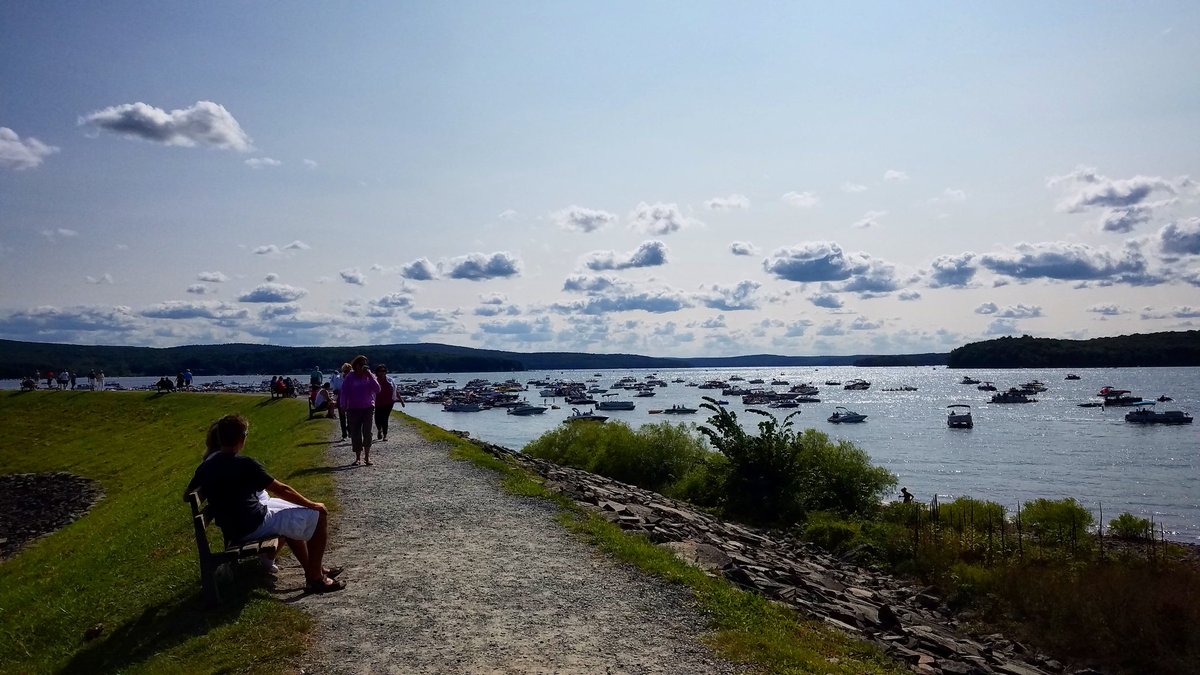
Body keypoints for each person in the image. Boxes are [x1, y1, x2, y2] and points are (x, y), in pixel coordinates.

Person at [184, 414, 344, 593]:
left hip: (234, 530)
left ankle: (314, 569)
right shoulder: (245, 464)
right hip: (254, 525)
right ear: (242, 439)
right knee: (319, 515)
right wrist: (313, 504)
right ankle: (316, 579)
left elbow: (187, 496)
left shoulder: (205, 467)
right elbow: (282, 490)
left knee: (291, 516)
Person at [340, 355, 380, 465]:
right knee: (355, 433)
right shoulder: (350, 377)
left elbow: (377, 389)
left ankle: (367, 457)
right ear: (356, 365)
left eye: (365, 364)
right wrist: (343, 405)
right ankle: (358, 458)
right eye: (361, 364)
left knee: (367, 432)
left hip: (368, 408)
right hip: (353, 408)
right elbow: (344, 392)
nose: (363, 366)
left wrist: (370, 376)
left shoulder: (370, 376)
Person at [373, 364, 404, 442]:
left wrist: (401, 400)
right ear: (377, 372)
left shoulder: (390, 380)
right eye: (380, 371)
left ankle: (385, 435)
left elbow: (395, 390)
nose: (382, 372)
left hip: (389, 403)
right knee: (377, 418)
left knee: (385, 418)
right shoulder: (374, 380)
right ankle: (379, 430)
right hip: (378, 402)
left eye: (384, 371)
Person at [331, 364, 349, 440]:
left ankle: (349, 429)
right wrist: (339, 391)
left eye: (349, 371)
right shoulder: (338, 378)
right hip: (340, 399)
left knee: (350, 416)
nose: (347, 372)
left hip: (351, 400)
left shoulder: (352, 378)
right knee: (342, 417)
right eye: (345, 371)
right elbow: (334, 390)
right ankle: (344, 434)